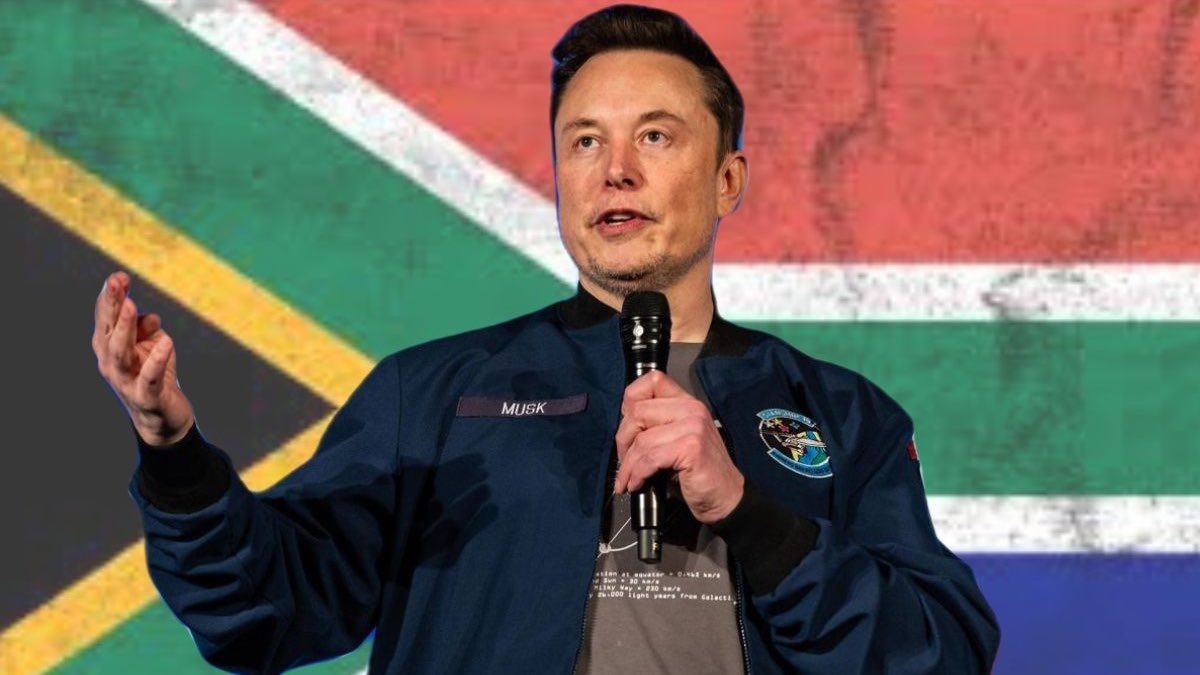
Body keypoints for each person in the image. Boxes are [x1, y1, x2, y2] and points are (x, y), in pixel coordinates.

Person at [92, 5, 999, 674]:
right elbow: (261, 611)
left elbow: (940, 655)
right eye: (584, 142)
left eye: (655, 136)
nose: (616, 171)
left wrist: (748, 512)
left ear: (728, 180)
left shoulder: (841, 414)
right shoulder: (432, 394)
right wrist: (174, 451)